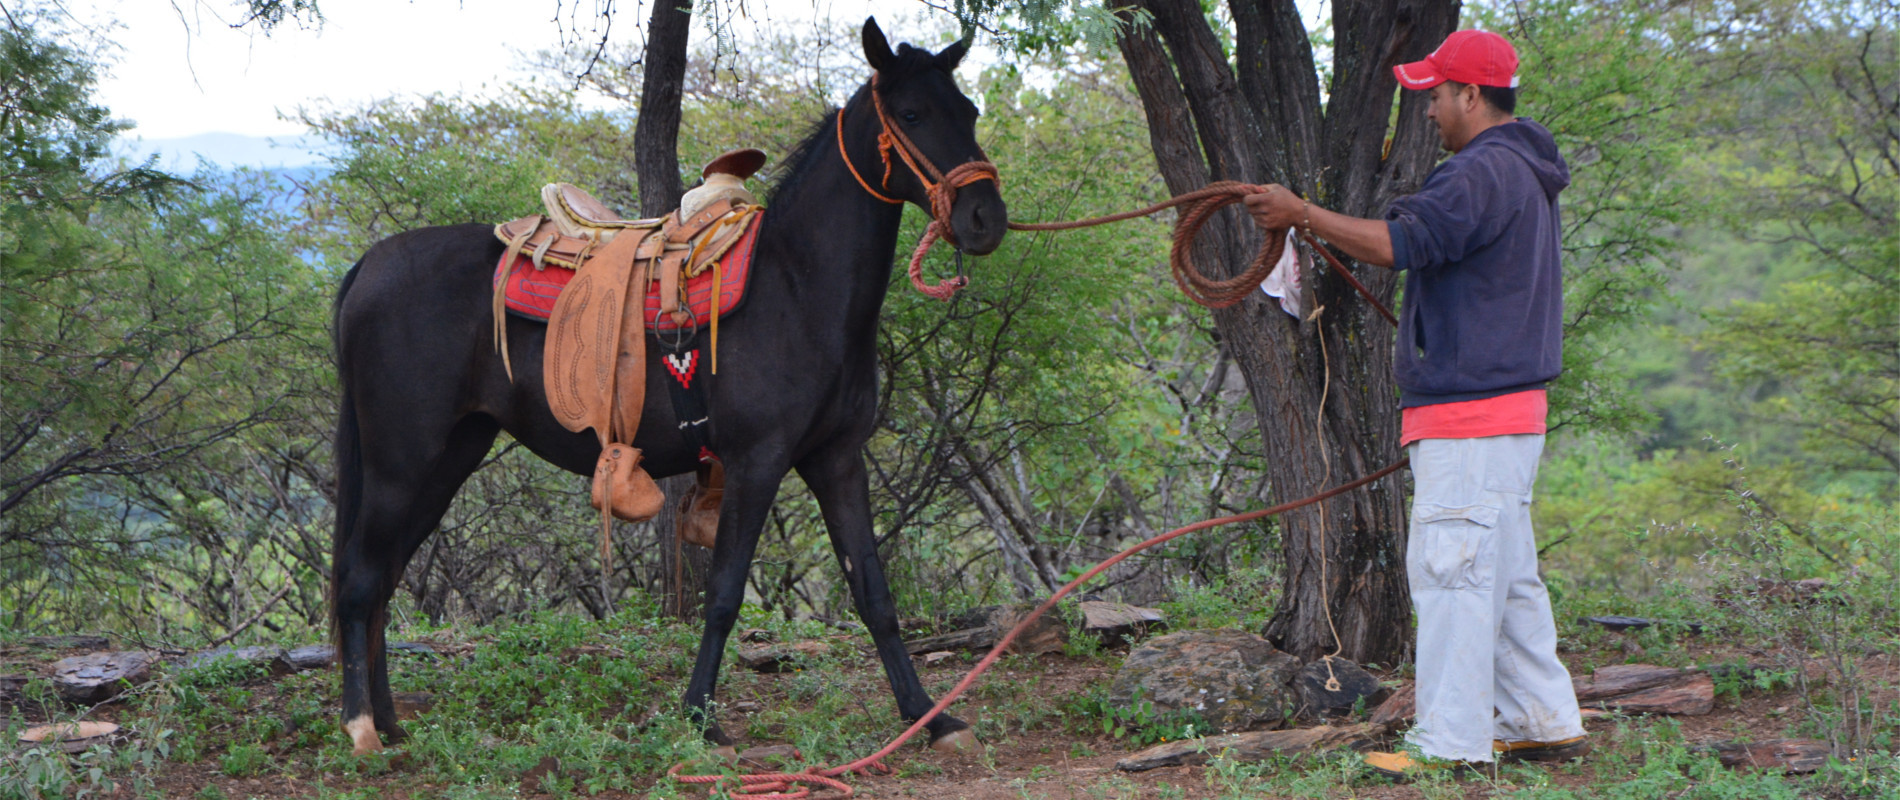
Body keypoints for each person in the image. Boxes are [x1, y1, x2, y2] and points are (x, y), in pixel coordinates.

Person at [1244, 29, 1588, 776]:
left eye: (1434, 93)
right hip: (1506, 414)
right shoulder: (1519, 168)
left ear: (1471, 94)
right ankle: (1540, 721)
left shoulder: (1482, 172)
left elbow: (1401, 244)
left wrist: (1303, 214)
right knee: (1504, 573)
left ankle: (1449, 745)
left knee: (1454, 575)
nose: (1427, 108)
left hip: (1474, 416)